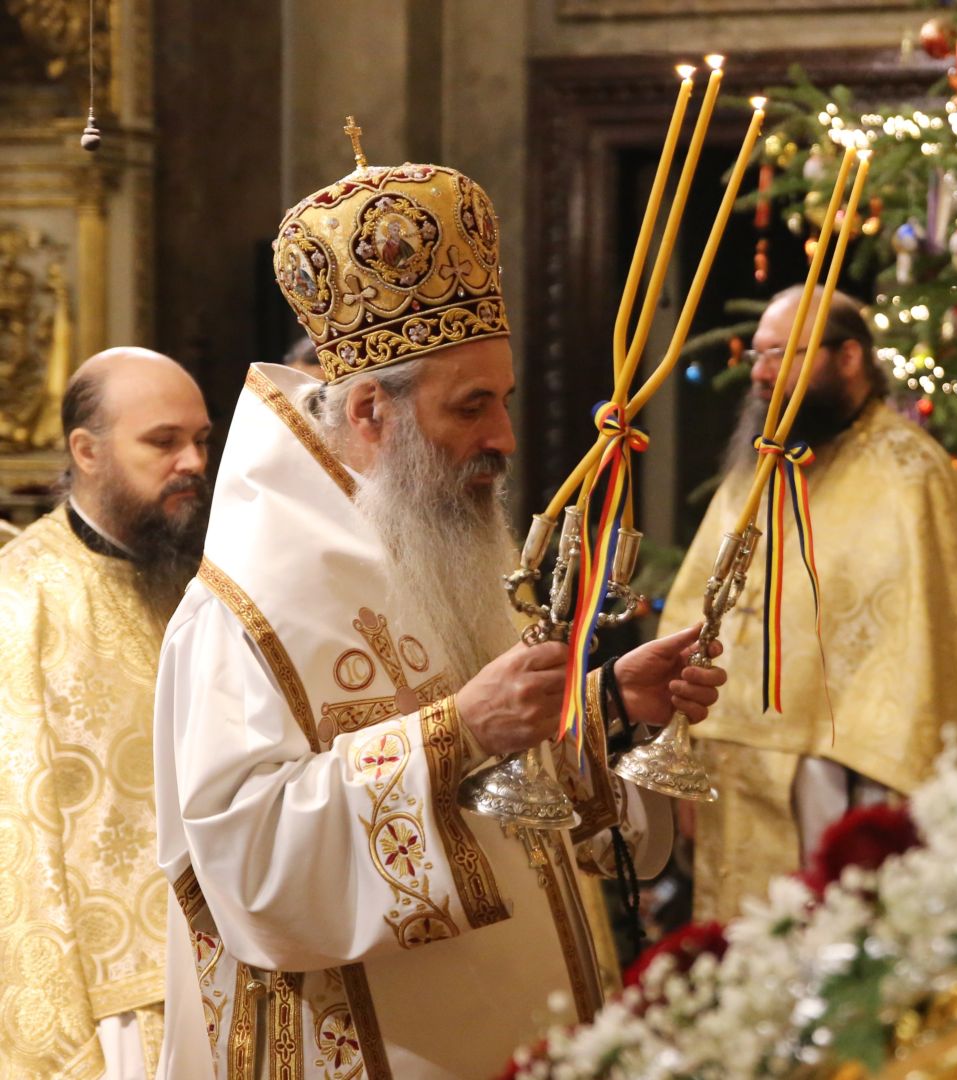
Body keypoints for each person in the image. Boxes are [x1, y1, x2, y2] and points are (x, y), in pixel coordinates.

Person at [154, 153, 726, 1079]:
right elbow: (249, 871)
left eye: (503, 401)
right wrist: (459, 731)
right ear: (370, 411)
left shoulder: (439, 542)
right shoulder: (243, 614)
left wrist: (609, 708)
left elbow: (509, 798)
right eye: (472, 408)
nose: (504, 438)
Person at [661, 285, 957, 923]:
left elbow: (938, 652)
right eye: (758, 355)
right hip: (731, 762)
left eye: (782, 354)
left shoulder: (914, 474)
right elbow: (697, 607)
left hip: (840, 771)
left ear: (849, 358)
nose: (761, 373)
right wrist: (681, 746)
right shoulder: (759, 468)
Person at [0, 347, 211, 1078]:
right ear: (87, 452)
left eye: (201, 440)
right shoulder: (20, 604)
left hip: (234, 974)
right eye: (163, 441)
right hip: (116, 1008)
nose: (192, 462)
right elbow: (16, 838)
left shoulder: (204, 583)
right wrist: (53, 1035)